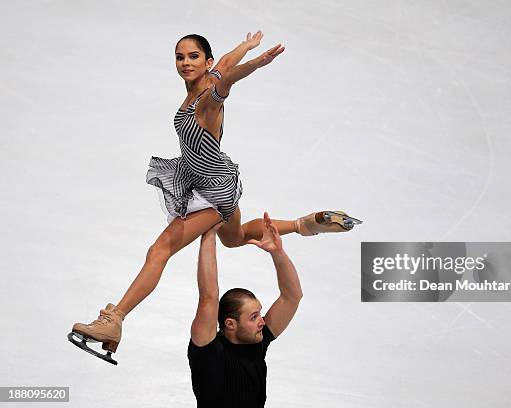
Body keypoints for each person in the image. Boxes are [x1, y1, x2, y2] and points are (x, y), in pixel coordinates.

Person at [68, 32, 360, 363]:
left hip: (211, 191)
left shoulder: (208, 99)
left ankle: (114, 320)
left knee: (160, 249)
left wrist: (256, 62)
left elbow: (229, 77)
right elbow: (225, 64)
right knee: (234, 238)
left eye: (193, 57)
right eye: (180, 57)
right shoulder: (207, 77)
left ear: (204, 63)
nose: (185, 63)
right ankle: (305, 223)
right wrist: (245, 47)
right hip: (206, 179)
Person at [189, 212, 301, 407]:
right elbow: (208, 297)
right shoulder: (208, 350)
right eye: (254, 317)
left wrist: (278, 253)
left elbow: (291, 297)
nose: (262, 321)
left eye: (259, 313)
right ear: (230, 324)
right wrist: (209, 233)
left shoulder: (257, 342)